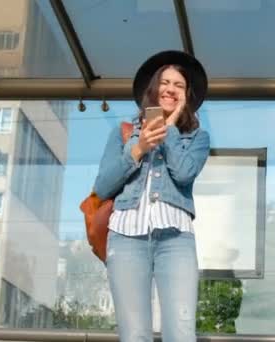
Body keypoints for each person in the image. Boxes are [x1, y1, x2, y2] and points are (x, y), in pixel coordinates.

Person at [93, 50, 210, 342]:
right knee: (134, 335)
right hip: (126, 238)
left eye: (179, 85)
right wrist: (138, 148)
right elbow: (103, 186)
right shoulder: (124, 133)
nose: (171, 89)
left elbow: (184, 174)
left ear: (186, 96)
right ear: (153, 88)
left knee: (181, 333)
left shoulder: (197, 138)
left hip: (176, 240)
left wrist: (168, 129)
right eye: (165, 82)